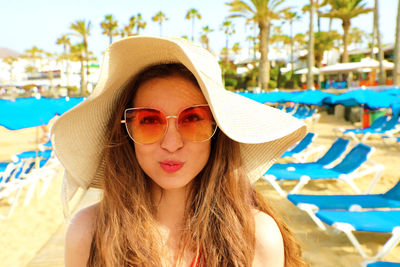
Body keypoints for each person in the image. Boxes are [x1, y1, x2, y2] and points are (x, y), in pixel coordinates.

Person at [51, 36, 307, 267]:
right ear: (126, 133)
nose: (171, 143)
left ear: (217, 130)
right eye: (150, 121)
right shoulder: (89, 233)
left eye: (193, 119)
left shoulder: (256, 238)